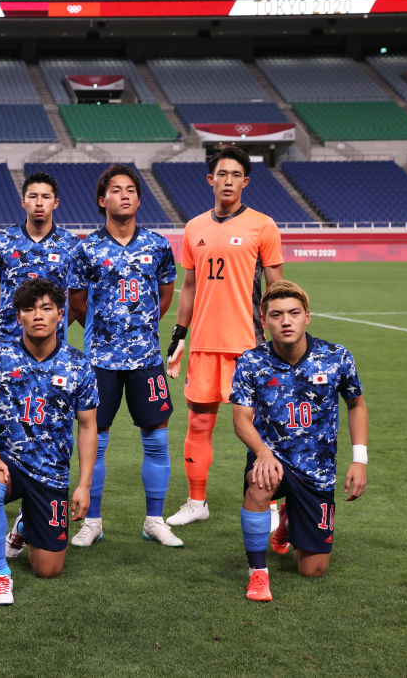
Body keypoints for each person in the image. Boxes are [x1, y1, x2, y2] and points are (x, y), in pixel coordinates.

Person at [164, 145, 283, 527]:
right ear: (210, 179)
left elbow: (276, 289)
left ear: (245, 182)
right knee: (199, 423)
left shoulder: (263, 226)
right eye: (222, 174)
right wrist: (180, 334)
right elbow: (189, 287)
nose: (228, 181)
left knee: (260, 428)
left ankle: (269, 502)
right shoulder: (194, 227)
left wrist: (279, 340)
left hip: (249, 345)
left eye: (235, 175)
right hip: (204, 344)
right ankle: (197, 502)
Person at [67, 164, 183, 547]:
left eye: (131, 189)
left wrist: (139, 329)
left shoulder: (157, 245)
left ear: (139, 199)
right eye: (116, 190)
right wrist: (105, 330)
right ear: (102, 200)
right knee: (95, 438)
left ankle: (154, 520)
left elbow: (165, 295)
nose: (124, 195)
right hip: (100, 362)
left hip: (146, 360)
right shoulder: (86, 248)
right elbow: (76, 302)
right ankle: (92, 522)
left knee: (157, 437)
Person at [231, 280, 368, 602]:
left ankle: (287, 523)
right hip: (273, 457)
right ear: (264, 320)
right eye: (276, 315)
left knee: (312, 570)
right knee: (260, 483)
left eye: (294, 313)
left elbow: (356, 405)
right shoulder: (251, 361)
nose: (286, 321)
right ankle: (258, 572)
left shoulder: (336, 357)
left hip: (317, 469)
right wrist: (262, 453)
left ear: (307, 316)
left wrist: (359, 460)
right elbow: (241, 419)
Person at [0, 278, 96, 605]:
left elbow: (87, 426)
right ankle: (0, 575)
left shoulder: (78, 364)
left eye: (46, 308)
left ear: (60, 314)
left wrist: (84, 485)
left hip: (51, 472)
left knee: (48, 570)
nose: (38, 315)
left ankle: (24, 527)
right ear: (19, 317)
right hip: (9, 462)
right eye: (29, 309)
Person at [0, 171, 79, 345]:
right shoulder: (2, 240)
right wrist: (10, 315)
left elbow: (77, 297)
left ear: (56, 203)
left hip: (52, 344)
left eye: (46, 197)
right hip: (8, 342)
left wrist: (55, 323)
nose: (39, 203)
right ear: (23, 201)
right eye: (33, 196)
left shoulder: (71, 243)